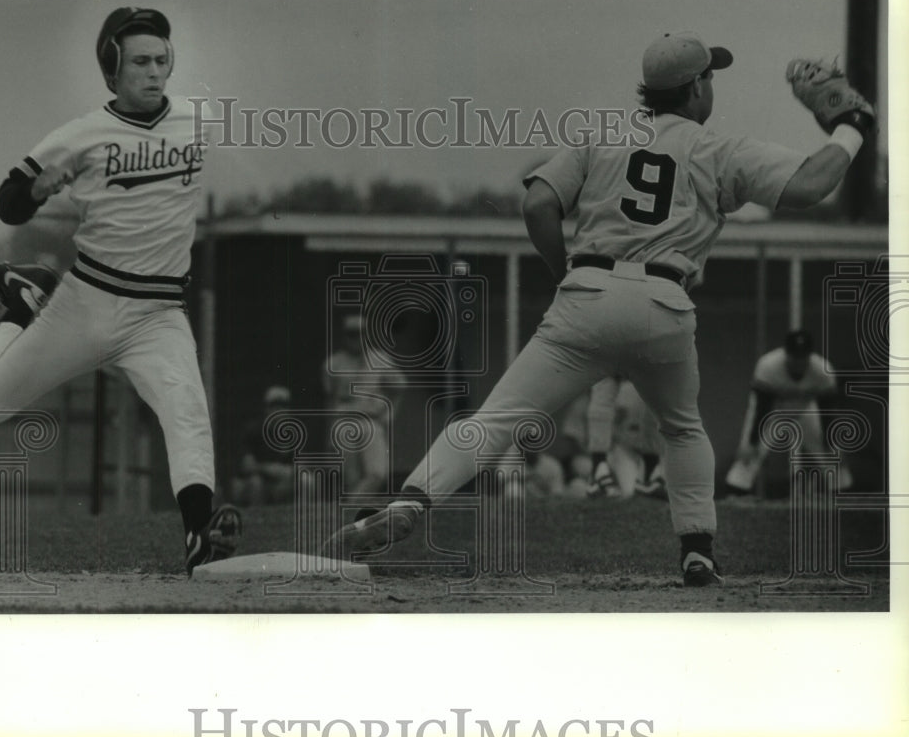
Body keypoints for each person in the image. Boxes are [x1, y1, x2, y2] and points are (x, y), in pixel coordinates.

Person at [324, 30, 873, 587]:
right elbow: (811, 184)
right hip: (664, 302)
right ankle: (697, 550)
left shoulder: (603, 136)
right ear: (695, 89)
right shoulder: (718, 149)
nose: (712, 87)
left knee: (493, 421)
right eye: (709, 77)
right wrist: (853, 125)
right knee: (682, 429)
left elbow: (538, 203)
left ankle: (413, 501)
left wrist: (565, 269)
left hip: (585, 298)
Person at [0, 7, 241, 576]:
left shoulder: (198, 119)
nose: (154, 72)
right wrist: (38, 189)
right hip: (86, 302)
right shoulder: (81, 135)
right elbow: (8, 203)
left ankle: (198, 538)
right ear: (111, 69)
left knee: (187, 411)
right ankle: (23, 307)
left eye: (162, 60)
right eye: (139, 61)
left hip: (158, 312)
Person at [725, 329, 852, 497]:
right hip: (774, 411)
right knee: (750, 451)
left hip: (806, 409)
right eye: (794, 356)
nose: (799, 361)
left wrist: (832, 443)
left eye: (803, 356)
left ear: (810, 355)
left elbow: (827, 411)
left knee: (832, 453)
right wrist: (752, 441)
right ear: (786, 353)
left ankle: (843, 495)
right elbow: (762, 409)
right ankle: (735, 493)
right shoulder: (768, 365)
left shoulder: (822, 370)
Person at [321, 314, 406, 494]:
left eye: (360, 333)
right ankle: (352, 512)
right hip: (344, 420)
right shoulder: (333, 363)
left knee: (377, 473)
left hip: (371, 420)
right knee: (349, 477)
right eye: (351, 334)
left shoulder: (379, 359)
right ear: (344, 336)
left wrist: (389, 415)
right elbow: (330, 400)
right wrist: (329, 434)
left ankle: (350, 506)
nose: (356, 338)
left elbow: (399, 387)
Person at [584, 376, 667, 500]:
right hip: (625, 449)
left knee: (655, 385)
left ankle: (649, 474)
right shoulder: (624, 391)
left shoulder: (634, 390)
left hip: (652, 449)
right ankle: (598, 471)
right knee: (606, 378)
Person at [234, 385, 297, 506]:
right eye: (274, 406)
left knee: (306, 481)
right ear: (266, 409)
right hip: (255, 483)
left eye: (284, 405)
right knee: (256, 483)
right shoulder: (253, 430)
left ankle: (301, 519)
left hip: (281, 483)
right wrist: (271, 469)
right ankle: (258, 520)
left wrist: (287, 473)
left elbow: (301, 467)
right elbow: (247, 467)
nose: (279, 410)